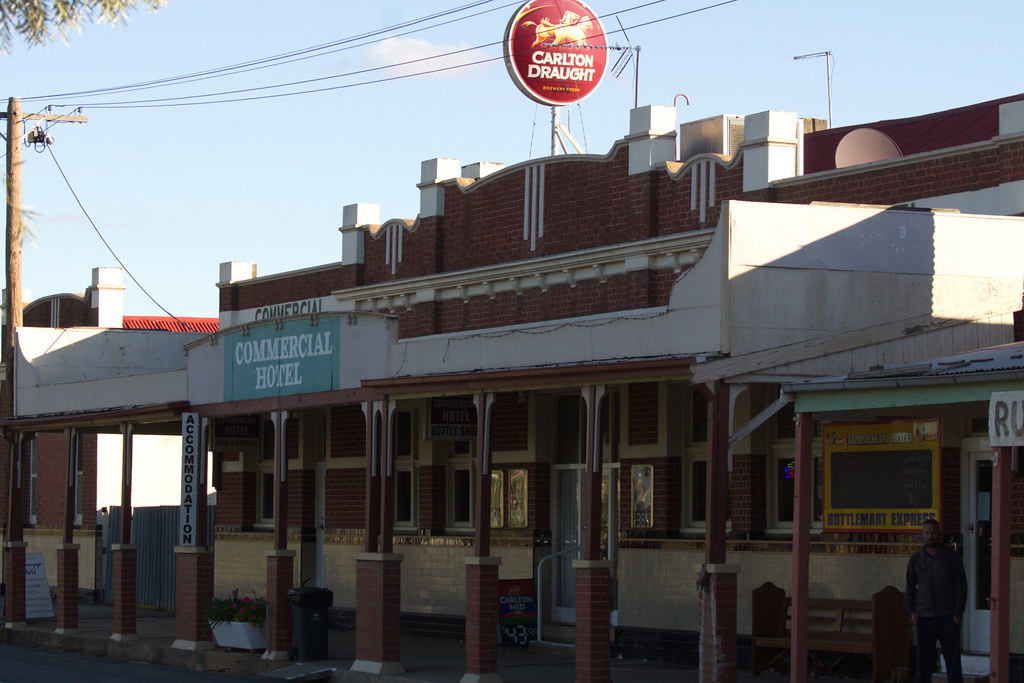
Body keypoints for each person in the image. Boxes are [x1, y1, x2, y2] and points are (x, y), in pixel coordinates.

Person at [905, 518, 968, 683]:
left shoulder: (951, 557)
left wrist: (957, 613)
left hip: (947, 617)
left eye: (933, 532)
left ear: (939, 534)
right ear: (922, 535)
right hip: (924, 617)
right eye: (927, 532)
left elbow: (961, 586)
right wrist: (911, 611)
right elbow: (910, 586)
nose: (930, 536)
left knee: (952, 661)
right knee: (923, 662)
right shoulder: (916, 559)